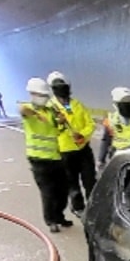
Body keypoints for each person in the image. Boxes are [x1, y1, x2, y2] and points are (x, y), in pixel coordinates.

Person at [21, 76, 72, 232]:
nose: (43, 99)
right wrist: (36, 114)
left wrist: (62, 121)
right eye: (40, 95)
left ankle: (59, 216)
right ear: (33, 94)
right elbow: (23, 110)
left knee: (63, 190)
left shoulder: (50, 111)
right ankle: (51, 221)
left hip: (56, 158)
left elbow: (58, 128)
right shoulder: (28, 108)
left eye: (45, 96)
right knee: (48, 192)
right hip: (39, 160)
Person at [48, 71, 96, 214]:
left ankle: (93, 206)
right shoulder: (50, 108)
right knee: (72, 183)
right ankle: (78, 207)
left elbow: (90, 124)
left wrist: (82, 134)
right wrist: (60, 124)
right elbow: (49, 130)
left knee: (90, 180)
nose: (62, 89)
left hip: (83, 150)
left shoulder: (77, 105)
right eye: (58, 86)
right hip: (64, 152)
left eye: (64, 86)